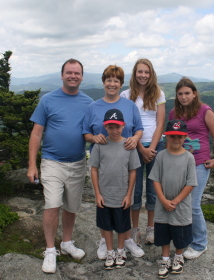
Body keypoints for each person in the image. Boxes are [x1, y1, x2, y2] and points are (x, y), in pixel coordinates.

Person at [27, 59, 93, 274]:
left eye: (77, 73)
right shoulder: (48, 100)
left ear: (82, 76)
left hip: (77, 163)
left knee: (72, 207)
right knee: (53, 205)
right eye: (69, 72)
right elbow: (36, 133)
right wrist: (32, 165)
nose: (73, 76)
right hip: (52, 161)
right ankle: (49, 249)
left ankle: (66, 242)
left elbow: (94, 130)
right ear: (62, 75)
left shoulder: (88, 102)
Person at [83, 64, 145, 259]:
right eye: (109, 80)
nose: (112, 84)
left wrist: (135, 139)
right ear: (103, 82)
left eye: (116, 80)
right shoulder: (93, 106)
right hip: (104, 164)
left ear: (121, 83)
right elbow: (85, 133)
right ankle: (105, 241)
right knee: (105, 205)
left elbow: (139, 129)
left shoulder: (129, 105)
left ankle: (126, 239)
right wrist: (94, 138)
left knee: (125, 204)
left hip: (126, 162)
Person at [168, 77, 214, 260]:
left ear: (194, 93)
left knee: (192, 203)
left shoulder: (205, 111)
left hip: (199, 162)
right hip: (179, 162)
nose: (184, 97)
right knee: (181, 203)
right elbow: (168, 137)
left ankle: (200, 244)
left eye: (187, 93)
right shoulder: (173, 113)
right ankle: (187, 238)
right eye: (180, 93)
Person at [120, 58, 166, 245]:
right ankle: (135, 229)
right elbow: (127, 125)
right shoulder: (125, 95)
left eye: (146, 72)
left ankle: (151, 228)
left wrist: (151, 149)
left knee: (154, 189)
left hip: (156, 146)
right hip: (134, 146)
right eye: (140, 72)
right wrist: (141, 148)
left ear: (151, 74)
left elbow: (160, 123)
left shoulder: (158, 94)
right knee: (136, 189)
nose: (143, 75)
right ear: (134, 73)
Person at [89, 109, 141, 269]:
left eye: (117, 127)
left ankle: (120, 250)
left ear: (123, 126)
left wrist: (129, 194)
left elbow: (133, 171)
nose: (114, 130)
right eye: (110, 127)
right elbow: (94, 169)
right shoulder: (100, 145)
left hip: (122, 196)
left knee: (122, 226)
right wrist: (97, 194)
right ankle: (110, 251)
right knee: (106, 225)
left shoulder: (129, 146)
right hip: (104, 195)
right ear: (105, 127)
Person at [149, 119, 197, 278]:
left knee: (180, 233)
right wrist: (162, 199)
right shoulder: (161, 156)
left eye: (179, 136)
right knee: (163, 232)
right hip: (162, 204)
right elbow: (155, 179)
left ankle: (178, 256)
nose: (176, 139)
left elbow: (191, 183)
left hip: (180, 205)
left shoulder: (189, 158)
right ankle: (164, 259)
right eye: (172, 136)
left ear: (185, 137)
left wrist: (175, 201)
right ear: (166, 137)